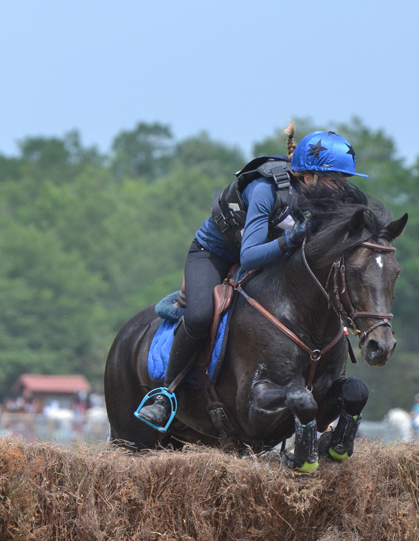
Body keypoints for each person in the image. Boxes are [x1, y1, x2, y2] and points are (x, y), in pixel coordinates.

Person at [136, 125, 369, 430]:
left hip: (275, 259)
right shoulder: (266, 191)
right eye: (333, 180)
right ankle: (165, 395)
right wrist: (292, 238)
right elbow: (249, 256)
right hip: (216, 254)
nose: (340, 188)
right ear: (308, 177)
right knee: (199, 315)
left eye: (344, 180)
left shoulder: (329, 199)